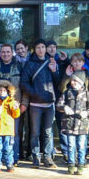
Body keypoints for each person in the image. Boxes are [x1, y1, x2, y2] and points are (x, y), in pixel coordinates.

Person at [20, 39, 61, 169]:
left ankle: (47, 157)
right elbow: (23, 83)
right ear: (34, 49)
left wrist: (55, 71)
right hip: (35, 104)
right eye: (38, 47)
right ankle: (35, 157)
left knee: (48, 132)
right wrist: (35, 93)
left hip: (49, 103)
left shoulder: (52, 61)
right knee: (35, 132)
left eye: (43, 47)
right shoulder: (30, 64)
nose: (41, 50)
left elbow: (58, 82)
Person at [57, 70, 89, 175]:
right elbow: (59, 105)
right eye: (72, 80)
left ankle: (81, 165)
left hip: (82, 125)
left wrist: (86, 113)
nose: (73, 82)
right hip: (69, 124)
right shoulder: (67, 92)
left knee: (82, 146)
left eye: (75, 81)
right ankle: (71, 165)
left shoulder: (87, 94)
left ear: (81, 82)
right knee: (71, 145)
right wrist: (64, 107)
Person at [0, 43, 25, 165]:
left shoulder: (19, 66)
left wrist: (23, 103)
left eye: (8, 52)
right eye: (3, 52)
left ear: (12, 53)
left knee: (14, 132)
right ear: (0, 53)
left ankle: (13, 159)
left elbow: (24, 85)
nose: (5, 54)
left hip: (14, 104)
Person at [0, 80, 22, 172]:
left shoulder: (12, 102)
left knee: (8, 149)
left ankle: (9, 164)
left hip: (8, 129)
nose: (2, 92)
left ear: (8, 92)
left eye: (4, 91)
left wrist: (16, 109)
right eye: (0, 90)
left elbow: (16, 115)